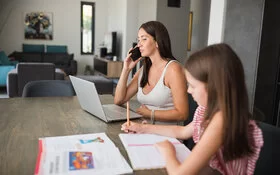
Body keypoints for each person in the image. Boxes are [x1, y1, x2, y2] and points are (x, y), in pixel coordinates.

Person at [121, 43, 264, 175]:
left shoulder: (221, 120)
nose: (189, 91)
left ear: (214, 87)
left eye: (193, 86)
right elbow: (183, 131)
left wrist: (168, 152)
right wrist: (141, 128)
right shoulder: (206, 109)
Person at [114, 21, 188, 124]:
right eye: (138, 40)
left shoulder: (173, 69)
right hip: (144, 129)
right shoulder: (143, 70)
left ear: (157, 42)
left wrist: (150, 113)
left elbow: (182, 114)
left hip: (167, 135)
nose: (139, 44)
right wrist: (126, 69)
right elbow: (118, 100)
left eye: (144, 39)